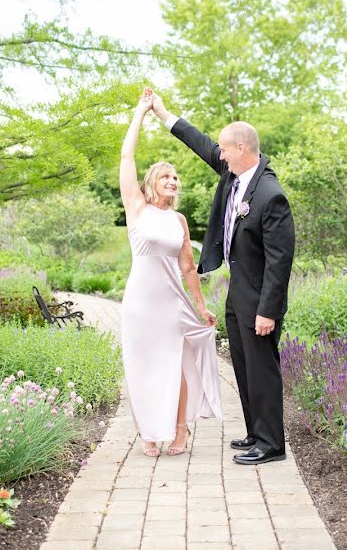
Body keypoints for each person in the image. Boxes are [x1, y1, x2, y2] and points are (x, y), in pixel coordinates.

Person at [150, 92, 295, 465]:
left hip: (260, 295)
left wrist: (268, 310)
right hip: (238, 288)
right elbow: (201, 144)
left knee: (262, 367)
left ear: (242, 148)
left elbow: (281, 261)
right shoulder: (235, 174)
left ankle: (272, 445)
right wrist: (165, 115)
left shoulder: (270, 194)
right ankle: (255, 433)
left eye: (226, 149)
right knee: (244, 365)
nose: (221, 154)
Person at [119, 88, 222, 458]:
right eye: (166, 176)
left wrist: (201, 306)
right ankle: (149, 430)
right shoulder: (136, 207)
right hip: (139, 302)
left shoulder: (179, 220)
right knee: (142, 366)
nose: (173, 181)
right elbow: (127, 154)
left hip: (171, 302)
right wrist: (142, 113)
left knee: (175, 364)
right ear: (151, 183)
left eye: (176, 177)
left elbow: (187, 267)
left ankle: (180, 431)